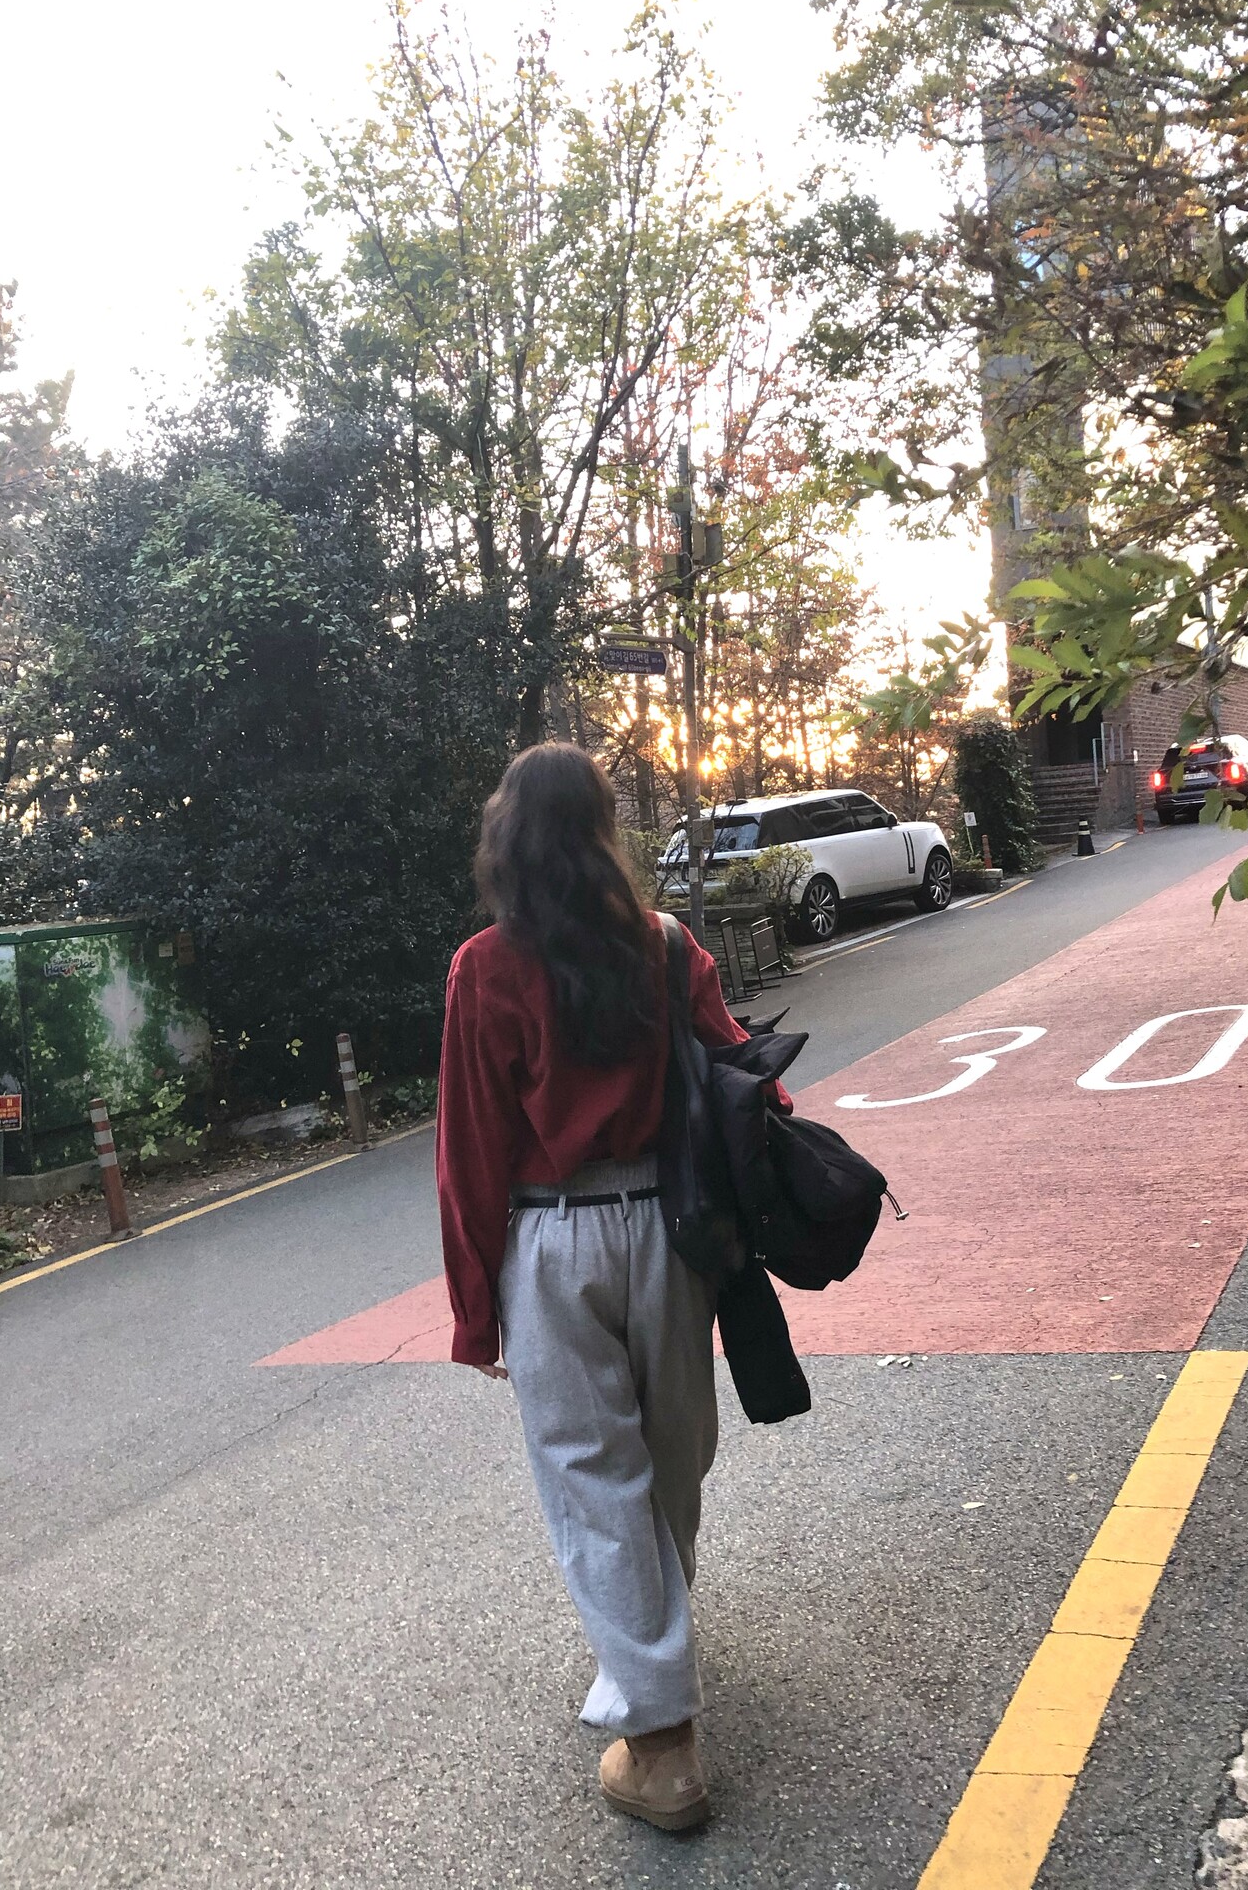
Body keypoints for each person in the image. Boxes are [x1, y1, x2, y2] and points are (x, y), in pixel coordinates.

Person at [436, 742, 785, 1832]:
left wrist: (475, 1313)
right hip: (673, 1231)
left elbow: (469, 1153)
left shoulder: (485, 968)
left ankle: (663, 1743)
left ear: (507, 839)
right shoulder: (668, 946)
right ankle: (651, 1659)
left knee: (593, 1477)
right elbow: (743, 1074)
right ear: (602, 832)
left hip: (551, 1239)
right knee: (673, 1447)